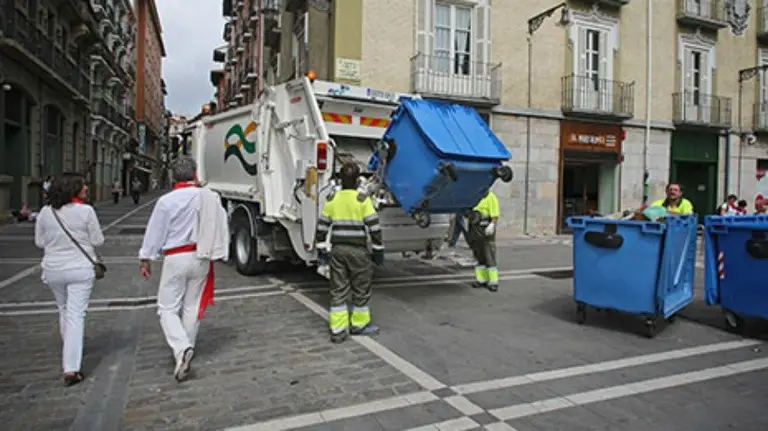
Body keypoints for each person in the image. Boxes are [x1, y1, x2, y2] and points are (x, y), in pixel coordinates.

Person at [138, 157, 229, 382]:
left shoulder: (166, 201)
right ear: (195, 173)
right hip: (201, 255)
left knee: (167, 308)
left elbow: (155, 231)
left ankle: (181, 348)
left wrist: (146, 257)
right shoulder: (209, 197)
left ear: (173, 176)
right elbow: (221, 222)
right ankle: (186, 349)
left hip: (176, 257)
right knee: (192, 306)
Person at [34, 173, 104, 386]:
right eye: (83, 185)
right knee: (76, 315)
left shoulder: (46, 212)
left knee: (64, 309)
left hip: (53, 269)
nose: (86, 188)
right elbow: (98, 240)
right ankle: (71, 367)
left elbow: (39, 242)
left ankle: (70, 348)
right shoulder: (86, 211)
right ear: (73, 189)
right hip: (80, 268)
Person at [315, 162, 384, 343]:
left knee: (338, 289)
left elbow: (322, 227)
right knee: (361, 288)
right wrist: (378, 250)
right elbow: (374, 228)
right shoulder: (362, 200)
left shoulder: (333, 199)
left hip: (338, 251)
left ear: (341, 180)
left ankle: (338, 330)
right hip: (358, 252)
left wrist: (322, 250)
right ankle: (359, 325)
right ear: (357, 180)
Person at [467, 190, 501, 292]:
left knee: (489, 255)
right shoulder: (473, 196)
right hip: (475, 228)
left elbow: (495, 214)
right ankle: (481, 279)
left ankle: (493, 282)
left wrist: (492, 224)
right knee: (479, 256)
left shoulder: (491, 197)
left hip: (485, 228)